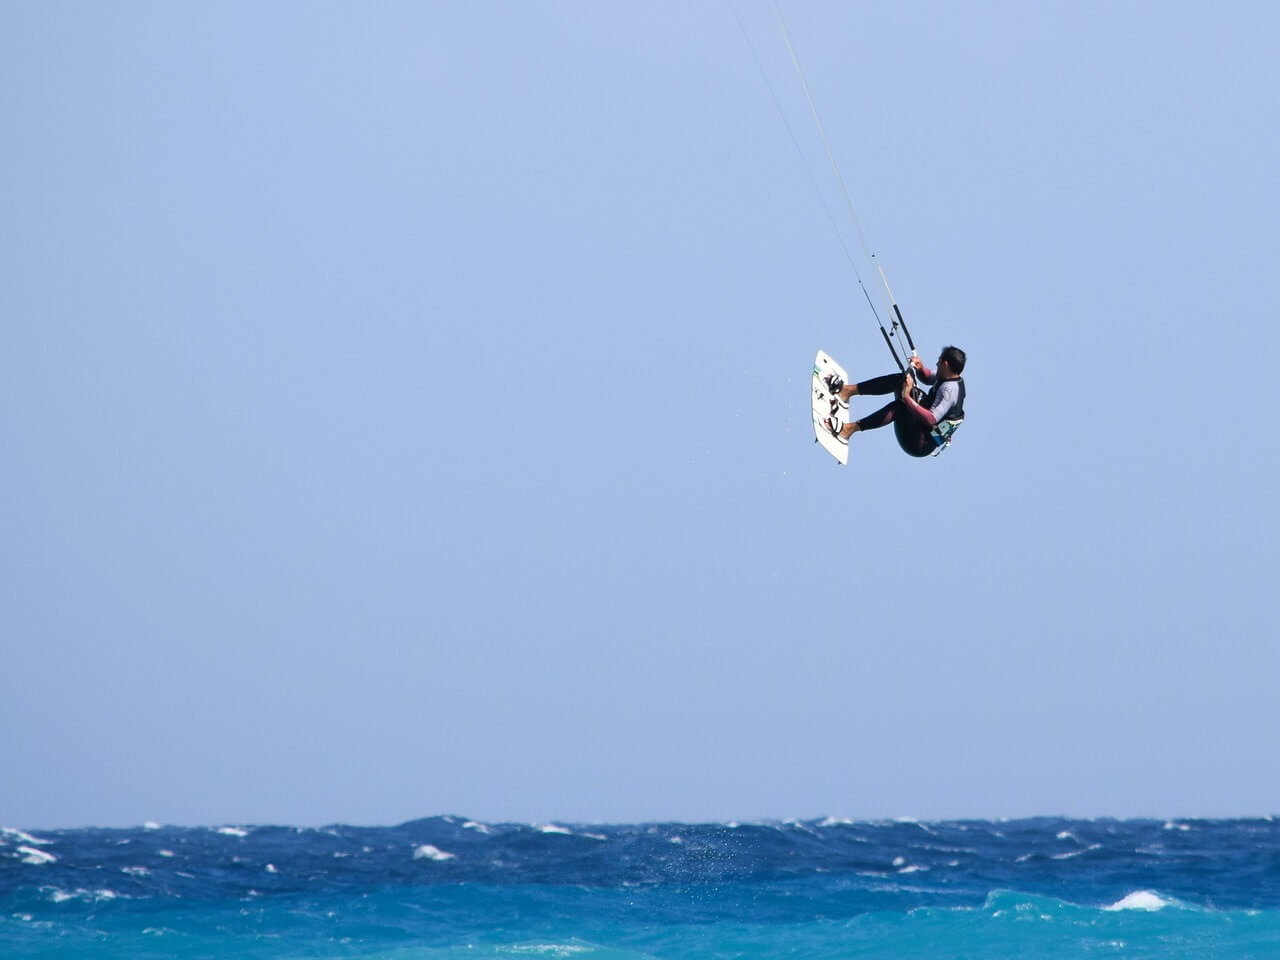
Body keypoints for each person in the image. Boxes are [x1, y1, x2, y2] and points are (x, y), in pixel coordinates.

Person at [823, 346, 966, 458]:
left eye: (939, 360)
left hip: (919, 443)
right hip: (923, 425)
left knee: (902, 407)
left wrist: (906, 397)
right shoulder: (950, 375)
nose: (936, 363)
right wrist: (921, 368)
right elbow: (928, 378)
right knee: (902, 380)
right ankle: (847, 391)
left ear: (946, 364)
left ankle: (849, 430)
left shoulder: (949, 391)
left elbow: (931, 419)